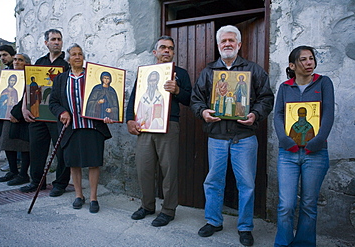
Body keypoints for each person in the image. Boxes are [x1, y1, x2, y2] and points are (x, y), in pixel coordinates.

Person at [190, 25, 274, 246]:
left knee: (246, 183)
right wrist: (203, 112)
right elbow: (196, 99)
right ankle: (213, 221)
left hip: (244, 137)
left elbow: (266, 98)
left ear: (239, 44)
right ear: (218, 46)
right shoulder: (209, 72)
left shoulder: (253, 70)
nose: (227, 44)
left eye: (231, 40)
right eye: (223, 41)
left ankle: (245, 226)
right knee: (213, 182)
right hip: (216, 137)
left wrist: (255, 114)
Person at [126, 36, 192, 227]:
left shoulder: (180, 74)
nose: (167, 51)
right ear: (155, 52)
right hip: (145, 126)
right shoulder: (145, 73)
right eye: (162, 47)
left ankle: (168, 210)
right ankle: (147, 206)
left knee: (169, 170)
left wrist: (178, 90)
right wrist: (130, 119)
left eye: (170, 49)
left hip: (169, 126)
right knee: (144, 169)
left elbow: (190, 98)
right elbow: (134, 98)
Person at [273, 46, 334, 247]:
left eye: (311, 59)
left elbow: (327, 115)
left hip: (316, 153)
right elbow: (279, 115)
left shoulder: (323, 83)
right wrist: (285, 139)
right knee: (286, 205)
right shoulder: (285, 87)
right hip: (288, 153)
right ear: (292, 65)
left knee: (308, 204)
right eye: (303, 60)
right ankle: (283, 243)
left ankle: (304, 244)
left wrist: (317, 140)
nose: (309, 63)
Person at [49, 43, 112, 213]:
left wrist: (109, 112)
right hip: (71, 127)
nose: (77, 57)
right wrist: (62, 112)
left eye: (80, 54)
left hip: (92, 126)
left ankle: (93, 197)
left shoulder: (93, 77)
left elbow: (106, 99)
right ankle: (78, 195)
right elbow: (53, 102)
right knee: (73, 163)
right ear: (68, 59)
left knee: (93, 163)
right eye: (74, 54)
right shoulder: (61, 79)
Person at [20, 29, 70, 197]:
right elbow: (29, 87)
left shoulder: (67, 64)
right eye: (53, 39)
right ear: (46, 43)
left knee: (61, 150)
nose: (57, 42)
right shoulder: (39, 62)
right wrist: (24, 107)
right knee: (37, 149)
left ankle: (60, 183)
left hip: (58, 115)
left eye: (59, 39)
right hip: (38, 114)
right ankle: (37, 181)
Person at [0, 53, 32, 186]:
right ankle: (13, 171)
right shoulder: (6, 76)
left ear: (27, 63)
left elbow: (28, 97)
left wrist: (17, 112)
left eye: (20, 60)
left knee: (24, 145)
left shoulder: (29, 77)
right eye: (15, 60)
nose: (17, 62)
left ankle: (23, 174)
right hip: (6, 116)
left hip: (22, 117)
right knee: (7, 143)